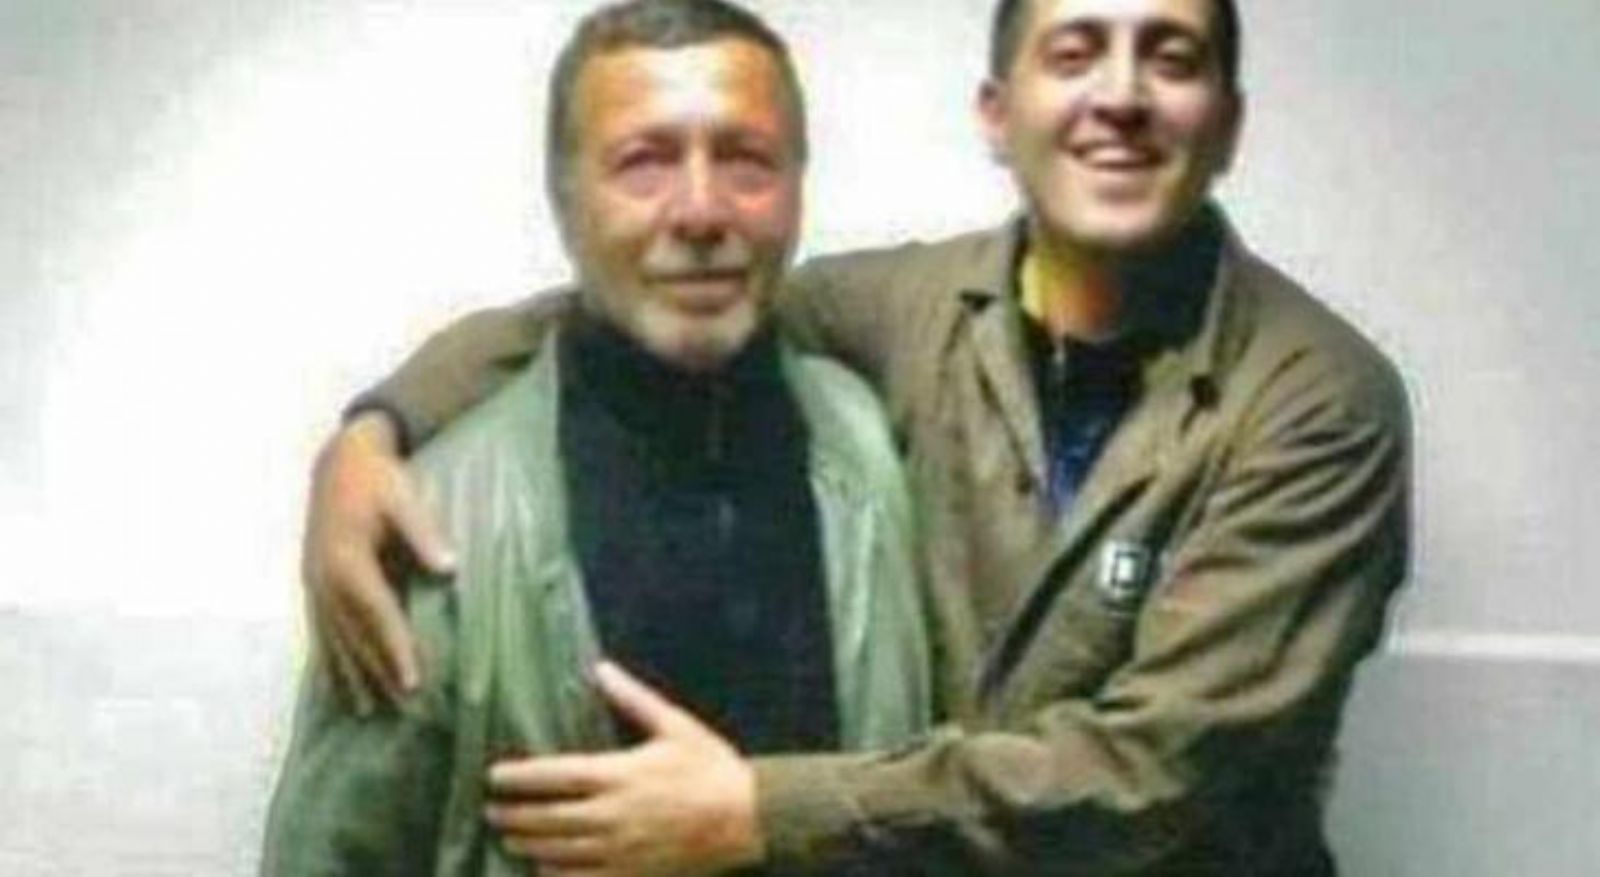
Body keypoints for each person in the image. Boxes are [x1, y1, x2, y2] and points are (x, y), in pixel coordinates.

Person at [303, 0, 1411, 873]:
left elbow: (1154, 770)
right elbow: (633, 299)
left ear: (1228, 123)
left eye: (1170, 57)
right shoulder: (911, 311)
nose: (1119, 96)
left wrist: (758, 809)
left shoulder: (1315, 400)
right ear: (996, 113)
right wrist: (372, 433)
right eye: (1074, 52)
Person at [262, 1, 932, 872]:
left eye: (746, 159)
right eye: (644, 163)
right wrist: (366, 429)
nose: (701, 210)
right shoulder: (431, 521)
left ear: (800, 185)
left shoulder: (880, 446)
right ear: (564, 198)